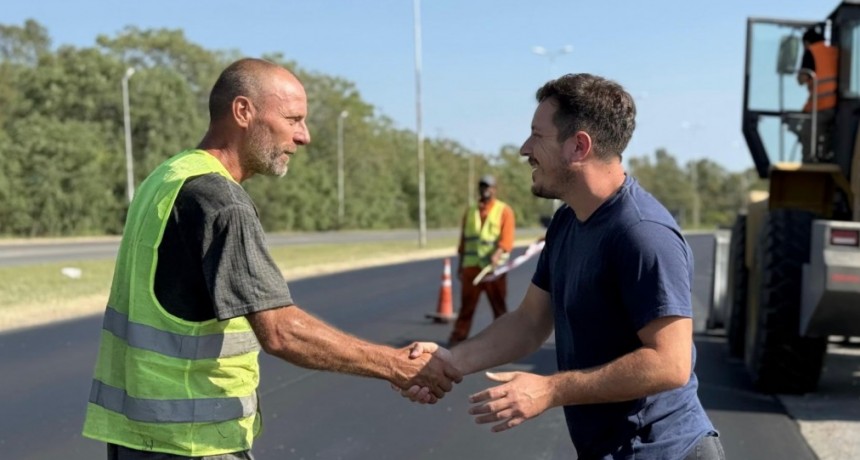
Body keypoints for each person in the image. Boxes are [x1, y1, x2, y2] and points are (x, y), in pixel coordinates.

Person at [81, 58, 461, 460]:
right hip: (193, 442)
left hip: (136, 439)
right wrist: (395, 364)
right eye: (293, 119)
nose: (304, 136)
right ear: (243, 111)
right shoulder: (222, 203)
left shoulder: (166, 178)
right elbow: (281, 331)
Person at [406, 74, 724, 459]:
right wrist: (451, 360)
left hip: (665, 451)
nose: (525, 149)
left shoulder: (643, 234)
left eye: (536, 135)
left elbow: (670, 364)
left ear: (578, 146)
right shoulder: (567, 222)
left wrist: (549, 389)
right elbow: (529, 322)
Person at [448, 174, 515, 346]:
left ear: (495, 189)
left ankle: (504, 341)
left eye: (489, 186)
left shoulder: (504, 211)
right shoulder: (470, 211)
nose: (485, 190)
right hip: (471, 269)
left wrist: (497, 254)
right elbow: (464, 241)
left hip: (493, 270)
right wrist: (460, 265)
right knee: (466, 307)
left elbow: (507, 240)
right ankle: (458, 339)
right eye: (483, 186)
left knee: (499, 307)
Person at [796, 25, 838, 162]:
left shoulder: (811, 51)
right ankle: (826, 155)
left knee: (806, 132)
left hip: (821, 106)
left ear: (807, 42)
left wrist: (798, 75)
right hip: (840, 107)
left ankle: (810, 165)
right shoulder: (834, 50)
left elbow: (803, 79)